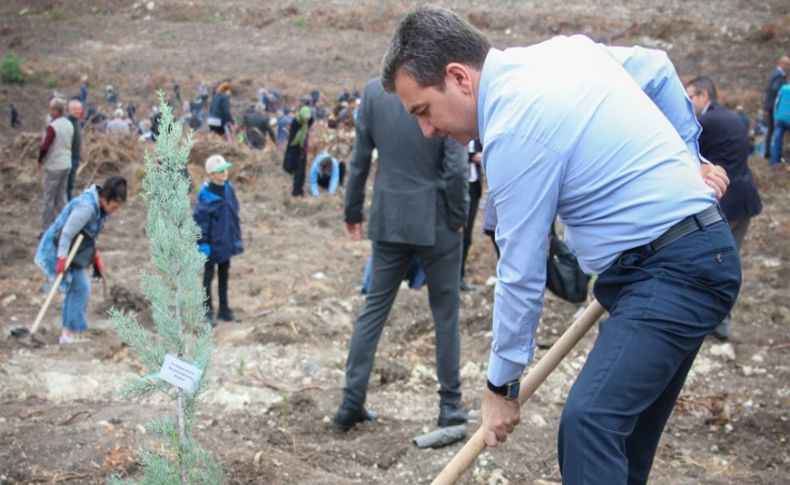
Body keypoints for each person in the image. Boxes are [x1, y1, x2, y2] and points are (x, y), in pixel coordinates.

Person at [382, 7, 740, 484]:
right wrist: (689, 160)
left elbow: (521, 269)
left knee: (590, 423)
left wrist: (501, 387)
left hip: (673, 269)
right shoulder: (562, 55)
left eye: (424, 111)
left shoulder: (512, 125)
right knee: (620, 450)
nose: (427, 130)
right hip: (676, 262)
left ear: (458, 78)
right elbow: (655, 68)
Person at [333, 77, 469, 432]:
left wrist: (352, 212)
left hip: (390, 217)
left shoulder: (374, 92)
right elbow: (455, 165)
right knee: (445, 314)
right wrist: (459, 217)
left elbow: (359, 159)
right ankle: (450, 406)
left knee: (374, 309)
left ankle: (351, 400)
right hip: (437, 219)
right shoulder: (436, 87)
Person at [686, 77, 762, 340]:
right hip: (745, 198)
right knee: (730, 261)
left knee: (711, 263)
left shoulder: (705, 122)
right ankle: (720, 321)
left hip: (726, 201)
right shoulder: (731, 117)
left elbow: (689, 158)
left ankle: (715, 323)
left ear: (704, 95)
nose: (687, 103)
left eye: (691, 97)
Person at [34, 176, 127, 344]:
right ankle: (70, 333)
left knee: (79, 287)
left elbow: (90, 236)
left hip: (75, 251)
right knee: (80, 287)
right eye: (114, 206)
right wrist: (61, 259)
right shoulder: (86, 208)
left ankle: (70, 332)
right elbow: (66, 233)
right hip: (58, 248)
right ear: (105, 198)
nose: (114, 211)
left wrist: (95, 257)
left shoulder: (102, 209)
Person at [193, 154, 243, 325]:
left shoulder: (229, 190)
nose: (224, 173)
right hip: (211, 245)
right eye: (220, 171)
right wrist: (202, 243)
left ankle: (224, 309)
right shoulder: (206, 197)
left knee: (224, 275)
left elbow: (233, 213)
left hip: (225, 242)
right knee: (208, 277)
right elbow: (200, 223)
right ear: (211, 174)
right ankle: (206, 311)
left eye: (225, 169)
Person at [38, 98, 74, 233]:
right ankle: (66, 226)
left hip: (54, 166)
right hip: (66, 164)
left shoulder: (53, 127)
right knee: (61, 197)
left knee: (49, 199)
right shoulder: (69, 124)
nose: (49, 111)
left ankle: (46, 229)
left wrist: (40, 160)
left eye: (51, 108)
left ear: (55, 111)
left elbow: (45, 146)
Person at [460, 139, 483, 291]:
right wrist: (472, 156)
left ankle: (459, 277)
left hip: (473, 187)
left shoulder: (478, 130)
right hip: (457, 185)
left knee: (467, 236)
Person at [282, 106, 313, 198]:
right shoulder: (296, 123)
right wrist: (299, 150)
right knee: (298, 172)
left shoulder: (306, 123)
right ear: (301, 116)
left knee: (302, 172)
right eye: (305, 118)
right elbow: (293, 140)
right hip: (296, 150)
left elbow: (312, 119)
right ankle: (296, 192)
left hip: (303, 150)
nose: (306, 120)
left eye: (307, 118)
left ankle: (300, 191)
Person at [762, 55, 789, 160]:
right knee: (773, 131)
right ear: (781, 64)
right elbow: (774, 90)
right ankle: (771, 153)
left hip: (770, 106)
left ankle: (769, 153)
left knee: (771, 130)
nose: (788, 67)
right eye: (786, 65)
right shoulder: (779, 75)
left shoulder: (775, 73)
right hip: (774, 108)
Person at [66, 99, 83, 200]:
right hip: (69, 157)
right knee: (68, 183)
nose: (77, 111)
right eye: (75, 109)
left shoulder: (77, 122)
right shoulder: (68, 123)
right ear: (69, 110)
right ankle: (67, 203)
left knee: (71, 182)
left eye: (79, 109)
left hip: (75, 156)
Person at [771, 81, 790, 168]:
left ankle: (773, 164)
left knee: (777, 142)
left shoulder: (783, 88)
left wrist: (775, 116)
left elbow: (776, 102)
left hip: (780, 118)